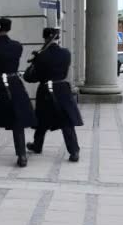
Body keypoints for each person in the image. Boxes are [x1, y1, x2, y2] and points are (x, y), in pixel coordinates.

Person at [0, 18, 37, 167]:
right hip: (15, 83)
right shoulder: (17, 46)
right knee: (17, 119)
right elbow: (6, 56)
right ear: (9, 28)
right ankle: (21, 154)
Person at [24, 28, 83, 162]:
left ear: (45, 38)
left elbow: (30, 77)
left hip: (45, 90)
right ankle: (74, 151)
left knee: (41, 120)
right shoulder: (66, 53)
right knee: (66, 121)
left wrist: (35, 61)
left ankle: (37, 146)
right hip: (62, 89)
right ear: (58, 39)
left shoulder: (42, 55)